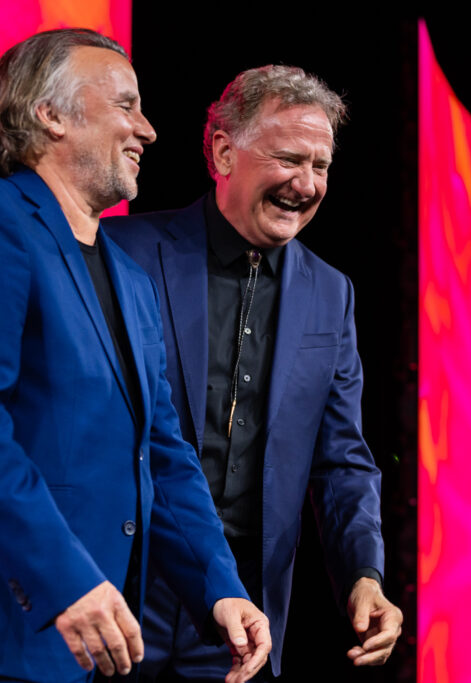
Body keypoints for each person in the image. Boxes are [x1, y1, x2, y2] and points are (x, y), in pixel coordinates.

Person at [104, 64, 401, 681]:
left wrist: (364, 574)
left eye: (321, 167)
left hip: (242, 618)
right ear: (222, 152)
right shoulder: (125, 253)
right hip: (121, 586)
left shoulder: (332, 294)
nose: (307, 184)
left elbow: (342, 458)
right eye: (290, 159)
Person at [0, 29, 270, 683]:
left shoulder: (131, 277)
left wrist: (219, 585)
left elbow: (164, 453)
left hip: (101, 654)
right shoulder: (6, 226)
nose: (147, 130)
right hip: (20, 633)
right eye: (126, 104)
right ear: (51, 114)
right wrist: (63, 578)